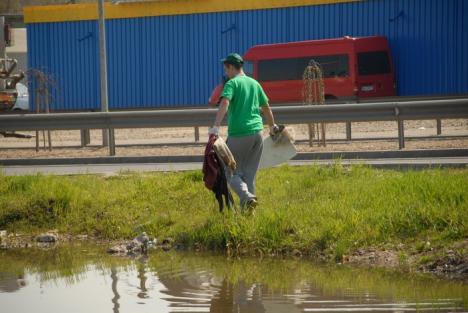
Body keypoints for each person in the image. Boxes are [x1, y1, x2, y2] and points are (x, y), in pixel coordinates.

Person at [209, 53, 279, 211]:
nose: (225, 72)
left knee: (231, 172)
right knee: (249, 175)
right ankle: (249, 213)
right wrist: (272, 126)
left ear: (232, 67)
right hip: (257, 134)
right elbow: (266, 107)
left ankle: (246, 197)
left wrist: (216, 126)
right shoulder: (254, 83)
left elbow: (225, 102)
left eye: (226, 68)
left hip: (240, 134)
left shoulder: (232, 84)